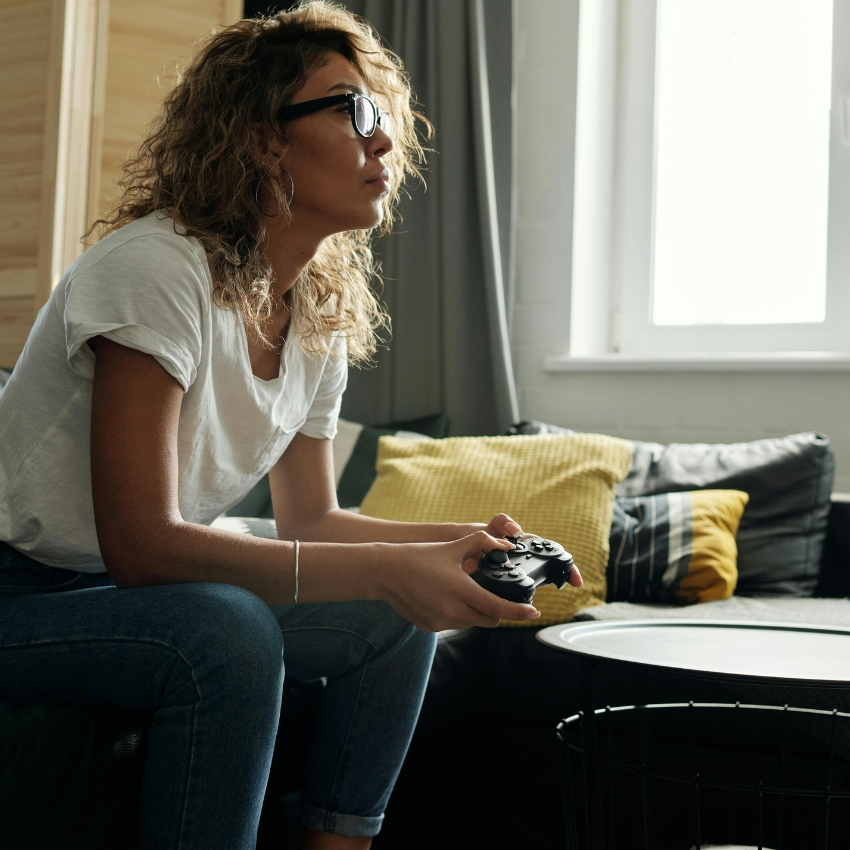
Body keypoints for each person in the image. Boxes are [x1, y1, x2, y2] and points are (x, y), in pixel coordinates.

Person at [0, 3, 582, 848]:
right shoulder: (156, 270)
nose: (383, 140)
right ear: (263, 140)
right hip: (19, 590)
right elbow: (143, 544)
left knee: (391, 618)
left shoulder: (313, 313)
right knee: (227, 632)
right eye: (354, 111)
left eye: (380, 115)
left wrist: (454, 545)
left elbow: (313, 521)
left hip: (118, 594)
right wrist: (395, 564)